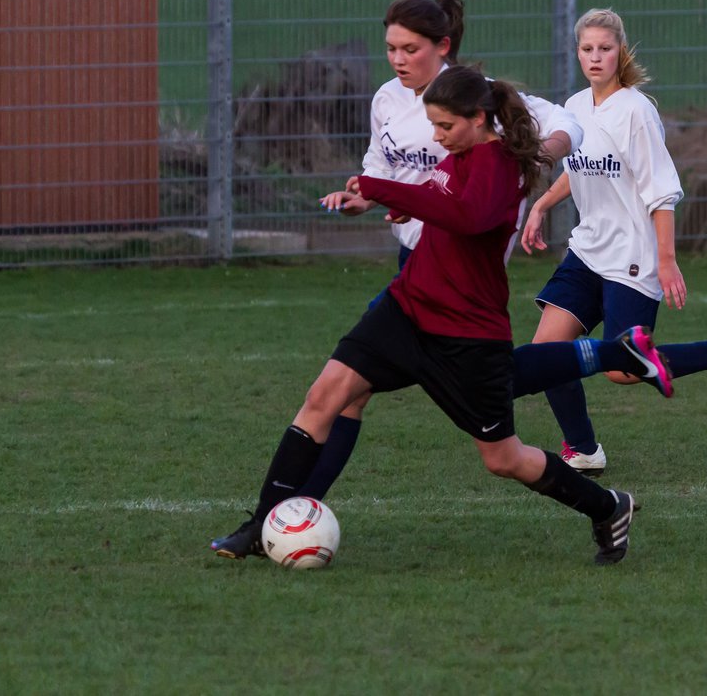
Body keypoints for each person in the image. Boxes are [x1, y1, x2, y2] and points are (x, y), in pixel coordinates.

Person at [210, 66, 673, 565]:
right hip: (408, 306)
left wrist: (382, 189)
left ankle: (607, 506)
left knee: (504, 458)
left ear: (479, 119)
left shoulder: (501, 167)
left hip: (466, 333)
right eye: (433, 126)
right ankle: (261, 523)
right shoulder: (462, 152)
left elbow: (469, 216)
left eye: (445, 127)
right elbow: (440, 200)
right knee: (325, 394)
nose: (437, 137)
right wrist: (381, 199)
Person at [305, 0, 583, 498]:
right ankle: (299, 505)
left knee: (501, 429)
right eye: (390, 48)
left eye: (409, 48)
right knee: (345, 393)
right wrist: (365, 195)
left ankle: (611, 364)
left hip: (467, 283)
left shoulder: (478, 103)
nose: (397, 59)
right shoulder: (388, 98)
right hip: (414, 271)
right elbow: (380, 168)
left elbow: (565, 124)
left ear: (443, 47)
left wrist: (537, 159)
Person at [516, 8, 707, 477]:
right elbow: (579, 167)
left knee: (623, 369)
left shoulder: (636, 112)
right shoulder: (575, 107)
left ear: (620, 52)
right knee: (546, 353)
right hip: (588, 249)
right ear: (577, 52)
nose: (595, 57)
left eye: (605, 49)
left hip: (632, 255)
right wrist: (544, 203)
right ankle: (583, 448)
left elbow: (661, 191)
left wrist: (666, 260)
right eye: (587, 49)